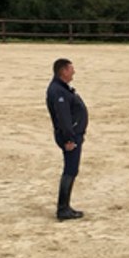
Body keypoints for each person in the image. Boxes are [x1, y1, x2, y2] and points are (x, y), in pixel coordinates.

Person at [46, 58, 89, 220]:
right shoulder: (58, 91)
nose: (74, 72)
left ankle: (64, 207)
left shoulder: (61, 88)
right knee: (70, 170)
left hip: (72, 135)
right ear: (63, 71)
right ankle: (63, 208)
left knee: (71, 169)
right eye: (71, 69)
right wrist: (69, 138)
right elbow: (63, 117)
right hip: (70, 137)